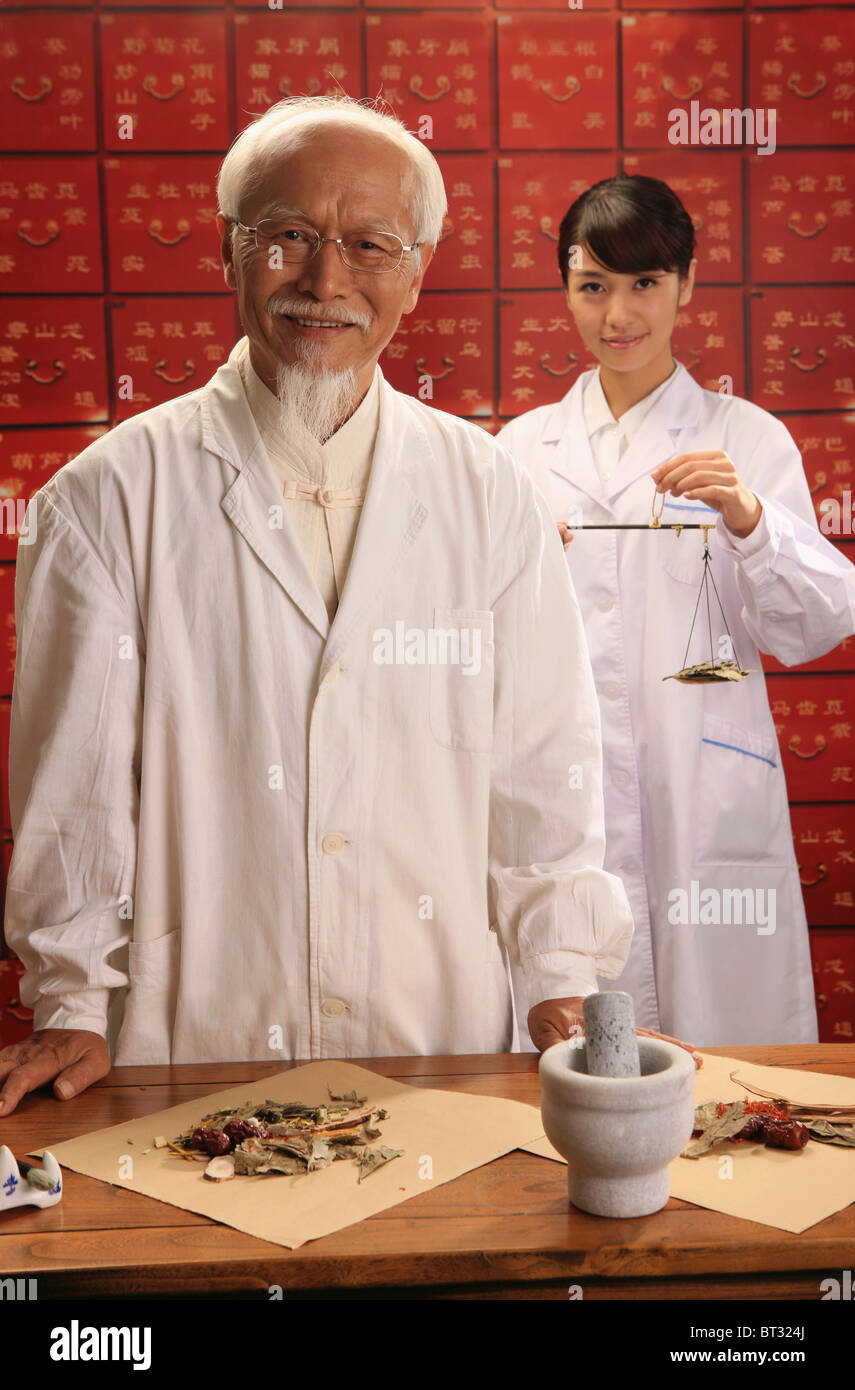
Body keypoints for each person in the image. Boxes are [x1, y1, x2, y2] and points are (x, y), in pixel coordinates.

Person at [0, 98, 666, 1118]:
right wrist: (73, 997)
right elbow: (75, 794)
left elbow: (542, 775)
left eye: (368, 245)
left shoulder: (493, 497)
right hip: (193, 1040)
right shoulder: (105, 501)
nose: (325, 282)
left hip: (436, 1040)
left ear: (416, 271)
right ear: (227, 251)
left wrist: (558, 979)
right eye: (288, 239)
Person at [498, 174, 855, 1047]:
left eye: (643, 284)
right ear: (565, 292)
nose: (617, 315)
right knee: (570, 1070)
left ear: (686, 283)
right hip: (566, 790)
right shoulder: (518, 452)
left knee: (730, 1068)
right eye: (593, 287)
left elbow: (812, 625)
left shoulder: (746, 439)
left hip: (702, 791)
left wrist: (750, 521)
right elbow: (480, 649)